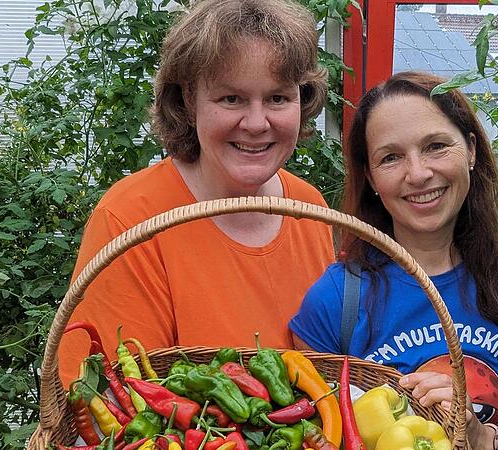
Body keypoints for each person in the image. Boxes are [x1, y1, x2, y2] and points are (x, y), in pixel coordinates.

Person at [290, 72, 498, 449]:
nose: (418, 173)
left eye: (436, 146)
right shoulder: (334, 302)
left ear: (472, 150)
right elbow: (314, 437)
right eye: (391, 157)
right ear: (371, 178)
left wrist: (485, 439)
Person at [58, 0, 335, 385]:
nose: (257, 123)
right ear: (188, 100)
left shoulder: (309, 208)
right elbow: (115, 404)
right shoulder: (132, 219)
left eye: (277, 98)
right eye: (231, 98)